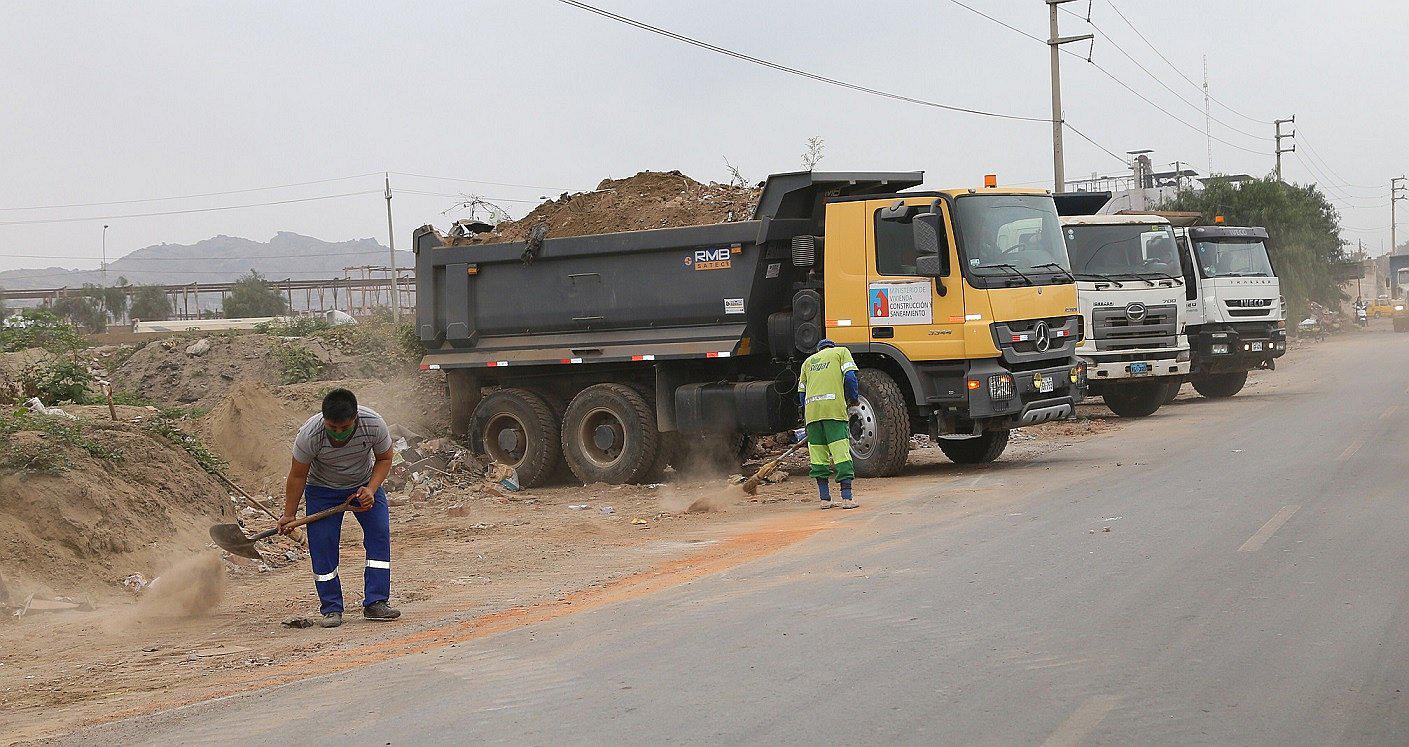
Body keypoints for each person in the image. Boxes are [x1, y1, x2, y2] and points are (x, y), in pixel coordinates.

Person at [280, 388, 400, 628]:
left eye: (343, 428)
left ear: (355, 418)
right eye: (332, 428)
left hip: (363, 486)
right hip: (322, 489)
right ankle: (331, 608)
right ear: (324, 420)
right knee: (322, 545)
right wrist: (289, 514)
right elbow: (297, 476)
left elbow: (385, 458)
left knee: (379, 534)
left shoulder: (373, 424)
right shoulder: (310, 435)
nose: (337, 433)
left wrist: (371, 490)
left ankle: (376, 602)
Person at [797, 339, 861, 509]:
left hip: (812, 414)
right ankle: (847, 498)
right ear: (831, 347)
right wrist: (853, 398)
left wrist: (807, 412)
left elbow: (801, 394)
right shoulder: (841, 352)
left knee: (818, 456)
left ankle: (825, 499)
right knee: (841, 453)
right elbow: (850, 377)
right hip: (833, 410)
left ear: (819, 350)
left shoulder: (807, 362)